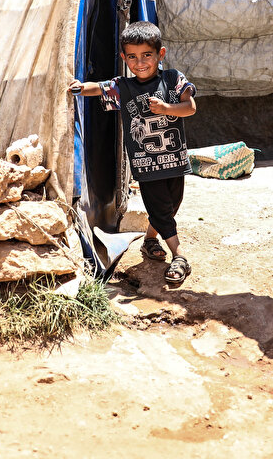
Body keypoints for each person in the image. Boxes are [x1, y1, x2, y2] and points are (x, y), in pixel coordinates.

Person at [69, 21, 197, 284]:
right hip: (145, 163)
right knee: (160, 208)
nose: (140, 63)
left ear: (160, 54)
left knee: (171, 205)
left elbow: (190, 106)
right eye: (132, 57)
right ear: (124, 58)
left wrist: (166, 109)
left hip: (174, 159)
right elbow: (100, 87)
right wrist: (80, 87)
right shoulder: (123, 88)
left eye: (147, 55)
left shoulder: (172, 79)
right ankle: (180, 256)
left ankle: (149, 239)